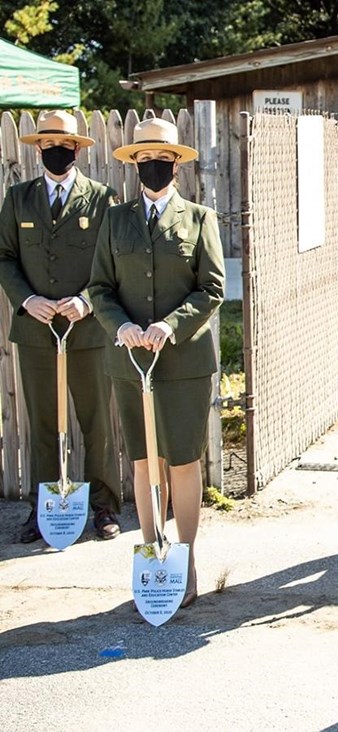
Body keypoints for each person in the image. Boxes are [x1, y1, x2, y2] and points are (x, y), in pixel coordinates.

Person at [87, 117, 224, 608]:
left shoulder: (199, 218)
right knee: (144, 463)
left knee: (183, 462)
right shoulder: (115, 220)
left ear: (177, 164)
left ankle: (184, 560)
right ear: (134, 165)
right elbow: (99, 288)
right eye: (144, 159)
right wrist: (120, 325)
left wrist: (171, 325)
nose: (153, 165)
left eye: (162, 158)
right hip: (129, 360)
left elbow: (212, 288)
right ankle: (152, 555)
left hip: (182, 360)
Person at [0, 110, 121, 545]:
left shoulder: (100, 198)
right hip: (35, 331)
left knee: (96, 424)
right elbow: (4, 256)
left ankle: (104, 508)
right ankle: (43, 510)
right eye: (48, 145)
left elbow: (111, 262)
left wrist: (86, 301)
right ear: (38, 150)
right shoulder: (19, 198)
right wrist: (27, 300)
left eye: (64, 145)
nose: (57, 152)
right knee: (43, 426)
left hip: (86, 331)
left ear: (77, 149)